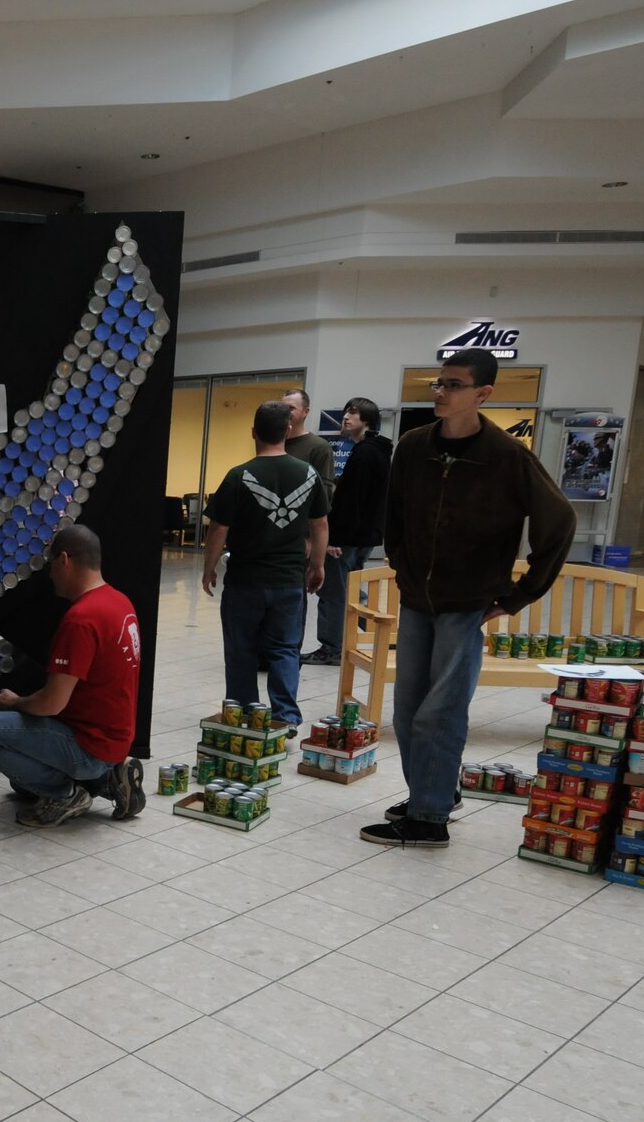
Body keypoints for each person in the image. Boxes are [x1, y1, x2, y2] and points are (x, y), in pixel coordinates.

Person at [362, 348, 575, 847]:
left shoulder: (506, 456)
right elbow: (394, 512)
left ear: (483, 394)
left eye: (453, 385)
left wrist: (521, 595)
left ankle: (429, 819)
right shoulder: (414, 446)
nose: (441, 392)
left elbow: (559, 520)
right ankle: (433, 794)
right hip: (417, 598)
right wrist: (399, 560)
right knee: (407, 710)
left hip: (466, 605)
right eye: (438, 383)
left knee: (441, 710)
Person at [0, 524, 145, 829]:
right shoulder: (119, 602)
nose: (49, 575)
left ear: (64, 560)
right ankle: (110, 779)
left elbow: (51, 704)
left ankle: (66, 794)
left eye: (50, 565)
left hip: (90, 744)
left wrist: (15, 703)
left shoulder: (81, 619)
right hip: (114, 738)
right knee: (22, 784)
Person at [202, 400, 329, 729]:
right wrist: (317, 566)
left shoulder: (239, 476)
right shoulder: (308, 474)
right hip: (289, 581)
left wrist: (209, 567)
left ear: (253, 432)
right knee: (285, 649)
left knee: (241, 649)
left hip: (245, 580)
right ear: (288, 431)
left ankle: (243, 712)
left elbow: (218, 527)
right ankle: (285, 718)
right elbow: (320, 525)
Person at [303, 396, 392, 666]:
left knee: (333, 593)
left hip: (349, 537)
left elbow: (353, 501)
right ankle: (383, 635)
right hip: (365, 535)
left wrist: (332, 539)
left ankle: (331, 648)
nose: (346, 418)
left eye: (353, 414)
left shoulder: (364, 454)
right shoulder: (377, 450)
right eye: (345, 413)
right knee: (353, 590)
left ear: (366, 421)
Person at [282, 387, 336, 495]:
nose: (285, 412)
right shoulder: (272, 442)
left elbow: (325, 490)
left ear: (305, 412)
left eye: (291, 408)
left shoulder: (319, 447)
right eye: (282, 408)